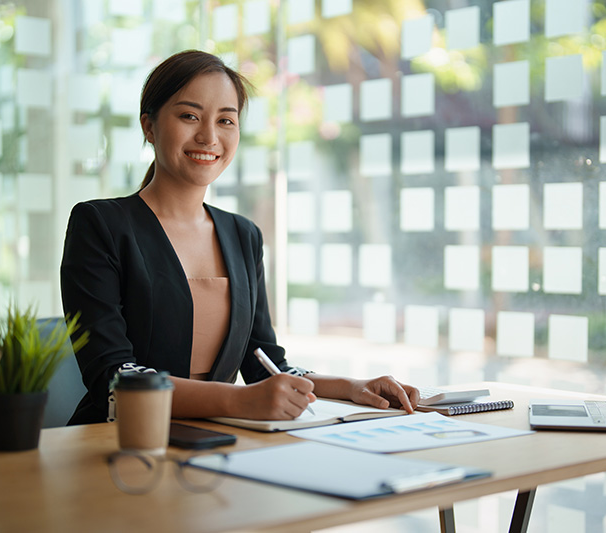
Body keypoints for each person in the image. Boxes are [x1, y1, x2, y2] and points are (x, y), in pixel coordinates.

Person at [60, 50, 419, 425]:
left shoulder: (243, 235)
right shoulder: (99, 224)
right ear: (149, 126)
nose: (209, 136)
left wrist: (351, 386)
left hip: (215, 441)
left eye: (226, 120)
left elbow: (266, 365)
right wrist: (239, 401)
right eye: (189, 116)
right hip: (119, 440)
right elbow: (114, 378)